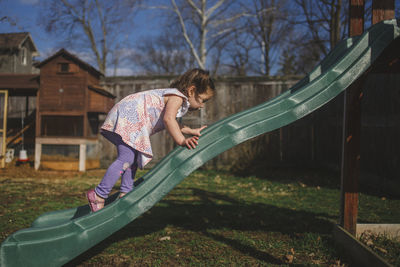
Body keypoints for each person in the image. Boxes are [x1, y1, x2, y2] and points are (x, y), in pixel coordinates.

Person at [86, 68, 215, 212]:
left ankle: (126, 192)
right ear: (192, 91)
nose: (202, 105)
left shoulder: (174, 96)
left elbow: (173, 122)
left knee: (132, 158)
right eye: (203, 100)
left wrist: (191, 130)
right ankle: (99, 194)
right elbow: (168, 119)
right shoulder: (177, 97)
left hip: (127, 116)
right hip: (129, 117)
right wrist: (182, 140)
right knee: (127, 157)